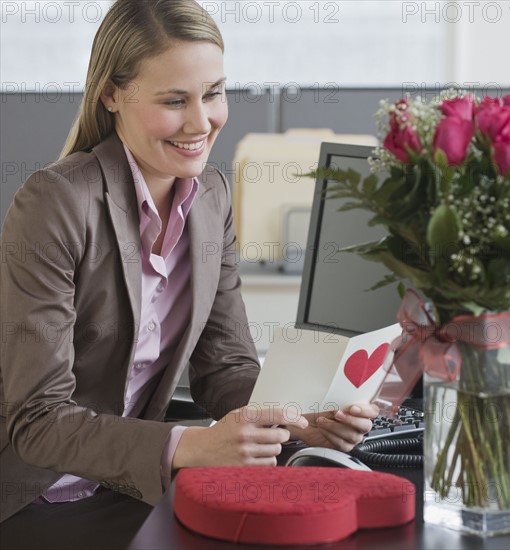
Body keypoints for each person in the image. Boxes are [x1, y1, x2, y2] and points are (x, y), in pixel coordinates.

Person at [0, 0, 378, 546]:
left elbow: (225, 368)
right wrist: (192, 446)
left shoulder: (210, 199)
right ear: (112, 95)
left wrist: (300, 420)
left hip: (132, 489)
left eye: (213, 93)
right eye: (175, 101)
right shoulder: (56, 203)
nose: (201, 123)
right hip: (35, 499)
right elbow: (36, 419)